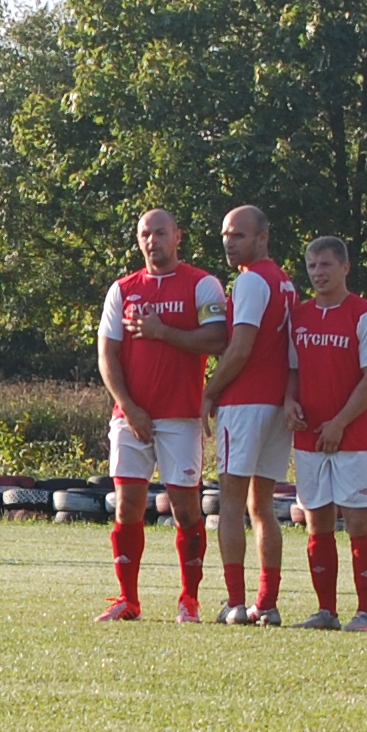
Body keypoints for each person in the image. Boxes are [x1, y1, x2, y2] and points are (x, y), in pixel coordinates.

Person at [95, 208, 226, 621]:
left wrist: (162, 331)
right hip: (130, 416)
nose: (153, 240)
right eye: (145, 234)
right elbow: (107, 354)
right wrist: (129, 407)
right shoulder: (122, 289)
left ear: (177, 236)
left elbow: (220, 339)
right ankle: (127, 600)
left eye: (161, 232)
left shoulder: (203, 285)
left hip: (181, 416)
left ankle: (189, 599)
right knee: (127, 507)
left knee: (186, 510)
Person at [285, 235, 367, 632]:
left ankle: (365, 613)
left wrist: (340, 423)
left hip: (353, 438)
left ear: (345, 267)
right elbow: (292, 371)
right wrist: (289, 402)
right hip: (310, 436)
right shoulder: (301, 316)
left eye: (326, 265)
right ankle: (326, 611)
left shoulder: (366, 316)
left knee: (360, 523)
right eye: (312, 266)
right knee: (317, 523)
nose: (318, 273)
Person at [200, 205, 293, 624]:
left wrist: (210, 391)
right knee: (263, 506)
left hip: (244, 403)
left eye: (238, 235)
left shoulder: (253, 280)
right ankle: (267, 603)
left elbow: (240, 347)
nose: (228, 242)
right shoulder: (285, 283)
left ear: (262, 237)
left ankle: (235, 602)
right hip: (274, 402)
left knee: (232, 505)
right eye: (225, 234)